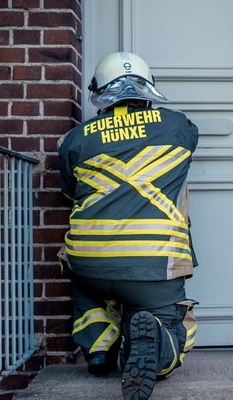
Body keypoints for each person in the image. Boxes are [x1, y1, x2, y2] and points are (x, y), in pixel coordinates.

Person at [57, 52, 199, 400]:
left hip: (89, 261)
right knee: (168, 321)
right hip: (153, 262)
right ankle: (156, 342)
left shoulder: (76, 138)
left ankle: (99, 348)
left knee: (88, 296)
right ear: (148, 90)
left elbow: (69, 191)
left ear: (99, 93)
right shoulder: (178, 126)